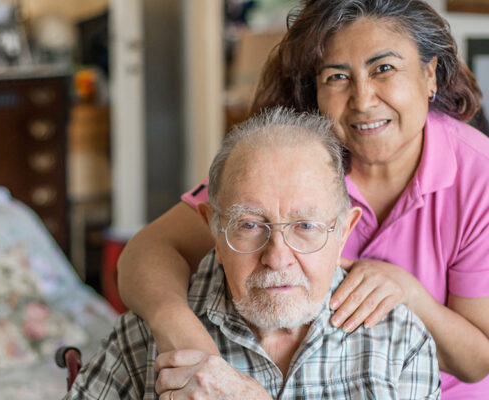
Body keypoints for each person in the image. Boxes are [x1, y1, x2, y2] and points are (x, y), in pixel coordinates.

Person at [117, 0, 489, 398]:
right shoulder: (287, 163)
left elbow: (478, 360)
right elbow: (144, 253)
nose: (363, 100)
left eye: (384, 68)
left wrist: (409, 293)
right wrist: (192, 344)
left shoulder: (478, 176)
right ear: (314, 92)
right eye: (336, 77)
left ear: (429, 75)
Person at [65, 109, 441, 400]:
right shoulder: (146, 334)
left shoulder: (398, 340)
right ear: (213, 227)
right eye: (249, 225)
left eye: (305, 226)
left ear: (343, 231)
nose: (277, 258)